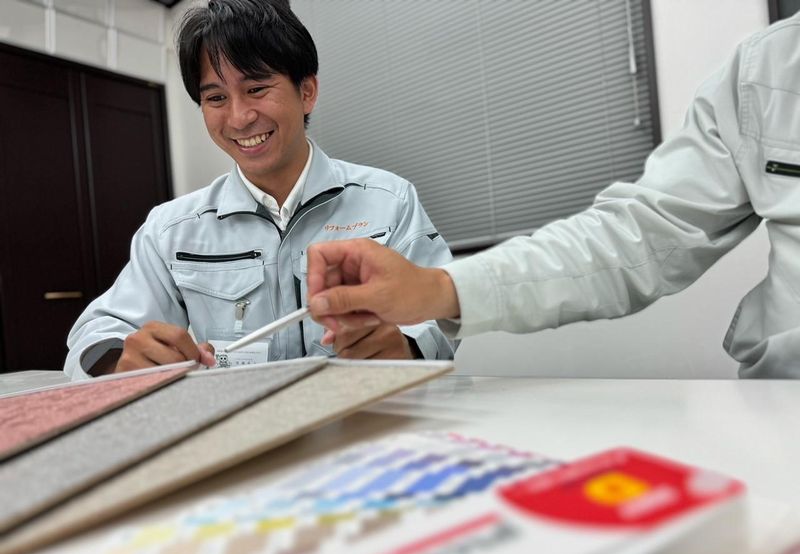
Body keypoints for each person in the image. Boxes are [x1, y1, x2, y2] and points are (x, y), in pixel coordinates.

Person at [307, 14, 800, 379]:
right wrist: (439, 288)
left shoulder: (389, 196)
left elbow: (420, 351)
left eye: (267, 87)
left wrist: (414, 334)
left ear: (307, 91)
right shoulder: (765, 71)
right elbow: (640, 235)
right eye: (225, 96)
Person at [64, 0, 455, 380]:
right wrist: (121, 360)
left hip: (366, 415)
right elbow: (93, 336)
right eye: (216, 97)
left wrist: (405, 346)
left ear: (307, 92)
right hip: (235, 421)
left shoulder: (389, 201)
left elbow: (443, 311)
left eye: (256, 89)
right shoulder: (172, 230)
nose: (239, 118)